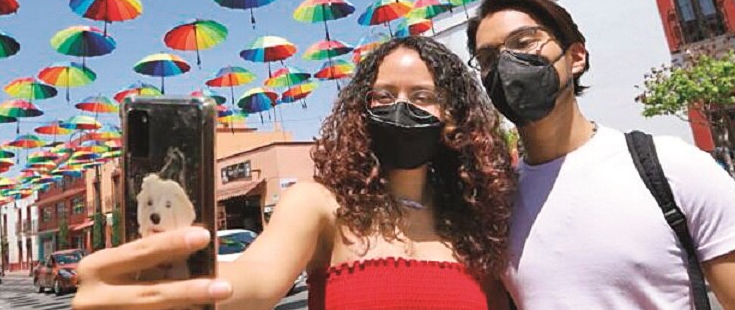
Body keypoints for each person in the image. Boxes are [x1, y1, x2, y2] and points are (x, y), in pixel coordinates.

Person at [73, 36, 516, 309]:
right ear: (361, 114)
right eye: (383, 97)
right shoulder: (321, 205)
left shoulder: (475, 223)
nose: (400, 109)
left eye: (422, 97)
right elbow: (252, 282)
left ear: (453, 118)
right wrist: (169, 293)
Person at [465, 0, 735, 309]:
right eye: (488, 58)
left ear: (576, 57)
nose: (507, 64)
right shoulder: (498, 204)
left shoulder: (673, 168)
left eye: (524, 42)